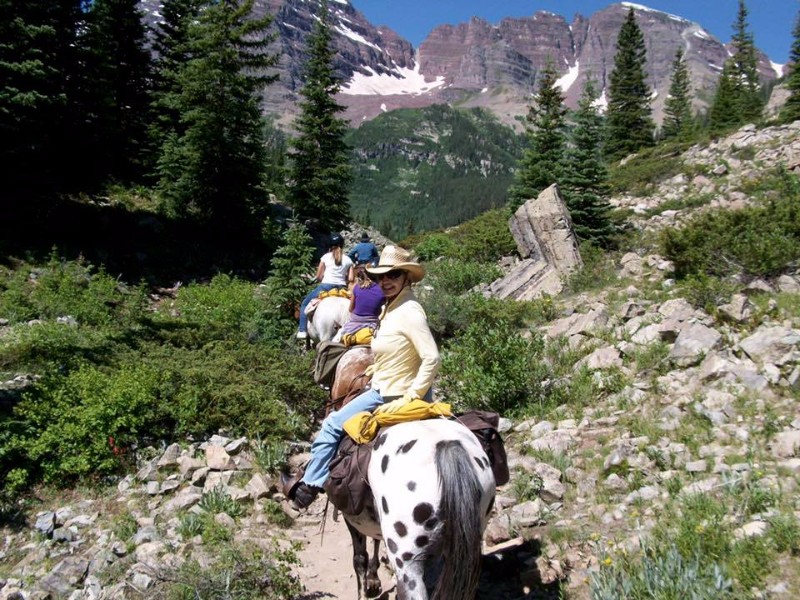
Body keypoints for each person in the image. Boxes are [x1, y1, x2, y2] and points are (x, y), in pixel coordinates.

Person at [285, 245, 440, 508]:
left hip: (391, 394)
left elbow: (432, 357)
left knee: (332, 425)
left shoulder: (409, 311)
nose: (386, 282)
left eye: (393, 275)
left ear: (406, 278)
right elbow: (397, 351)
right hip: (388, 383)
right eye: (382, 277)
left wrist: (412, 397)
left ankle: (309, 487)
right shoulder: (392, 307)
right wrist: (373, 369)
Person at [297, 234, 354, 340]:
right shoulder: (348, 260)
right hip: (342, 289)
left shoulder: (325, 257)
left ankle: (302, 330)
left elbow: (318, 276)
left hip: (326, 287)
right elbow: (351, 278)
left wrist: (321, 278)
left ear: (330, 245)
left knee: (305, 303)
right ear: (342, 245)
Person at [332, 264, 384, 343]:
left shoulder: (357, 287)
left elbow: (350, 309)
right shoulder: (382, 290)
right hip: (372, 325)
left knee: (335, 341)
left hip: (353, 324)